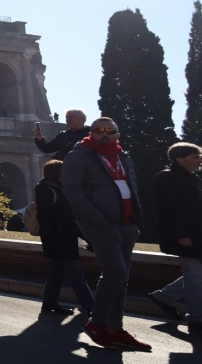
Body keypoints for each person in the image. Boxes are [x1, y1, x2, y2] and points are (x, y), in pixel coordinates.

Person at [63, 117, 151, 352]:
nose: (104, 134)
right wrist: (98, 220)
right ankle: (96, 323)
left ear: (117, 134)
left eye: (109, 130)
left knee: (121, 278)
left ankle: (115, 328)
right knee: (116, 272)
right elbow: (72, 191)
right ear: (91, 133)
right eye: (98, 130)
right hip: (100, 224)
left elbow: (131, 188)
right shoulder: (79, 155)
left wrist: (135, 221)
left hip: (127, 224)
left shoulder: (124, 156)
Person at [150, 142, 202, 335]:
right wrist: (181, 235)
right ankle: (196, 317)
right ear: (180, 159)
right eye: (194, 156)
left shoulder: (190, 178)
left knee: (195, 274)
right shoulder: (167, 178)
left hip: (194, 234)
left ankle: (164, 297)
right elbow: (168, 210)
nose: (198, 160)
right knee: (195, 276)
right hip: (185, 235)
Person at [35, 160, 93, 317]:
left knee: (57, 271)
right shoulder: (49, 190)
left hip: (60, 237)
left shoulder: (53, 189)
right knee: (76, 274)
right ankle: (91, 307)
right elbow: (61, 218)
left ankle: (49, 301)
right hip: (60, 238)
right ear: (57, 173)